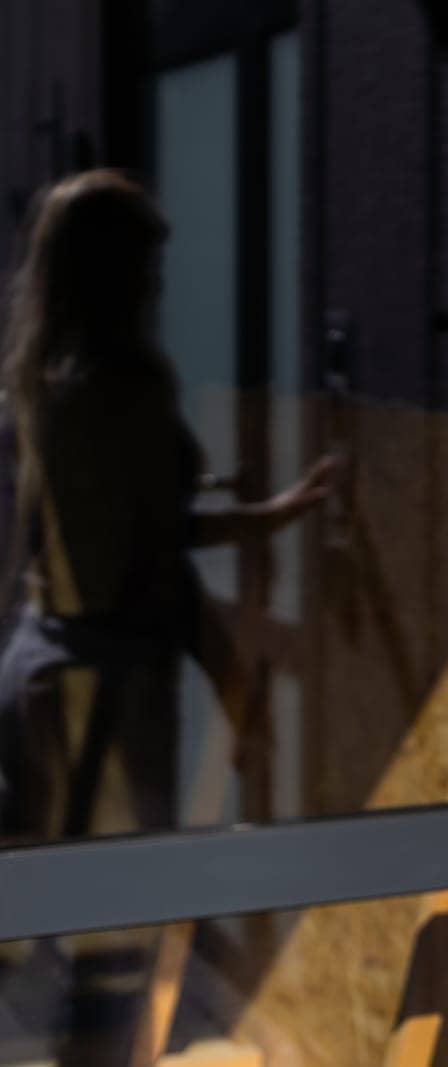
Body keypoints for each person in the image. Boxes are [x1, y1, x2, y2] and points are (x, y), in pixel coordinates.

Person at [0, 168, 342, 843]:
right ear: (111, 276)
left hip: (37, 658)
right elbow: (159, 540)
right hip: (116, 670)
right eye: (144, 266)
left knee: (49, 884)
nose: (156, 283)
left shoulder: (36, 384)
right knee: (147, 870)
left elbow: (91, 510)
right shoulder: (127, 386)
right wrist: (283, 511)